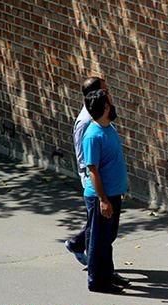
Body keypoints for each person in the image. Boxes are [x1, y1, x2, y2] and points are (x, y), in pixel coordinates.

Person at [82, 89, 128, 293]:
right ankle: (97, 281)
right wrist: (103, 199)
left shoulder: (109, 128)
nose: (113, 105)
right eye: (110, 102)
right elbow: (93, 170)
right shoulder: (93, 136)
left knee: (107, 238)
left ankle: (107, 274)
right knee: (98, 240)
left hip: (113, 193)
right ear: (105, 108)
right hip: (101, 197)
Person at [65, 77, 107, 266]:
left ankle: (79, 244)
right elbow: (84, 155)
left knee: (96, 219)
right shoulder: (85, 121)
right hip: (91, 176)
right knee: (97, 219)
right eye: (104, 90)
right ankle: (90, 257)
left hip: (98, 174)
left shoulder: (95, 116)